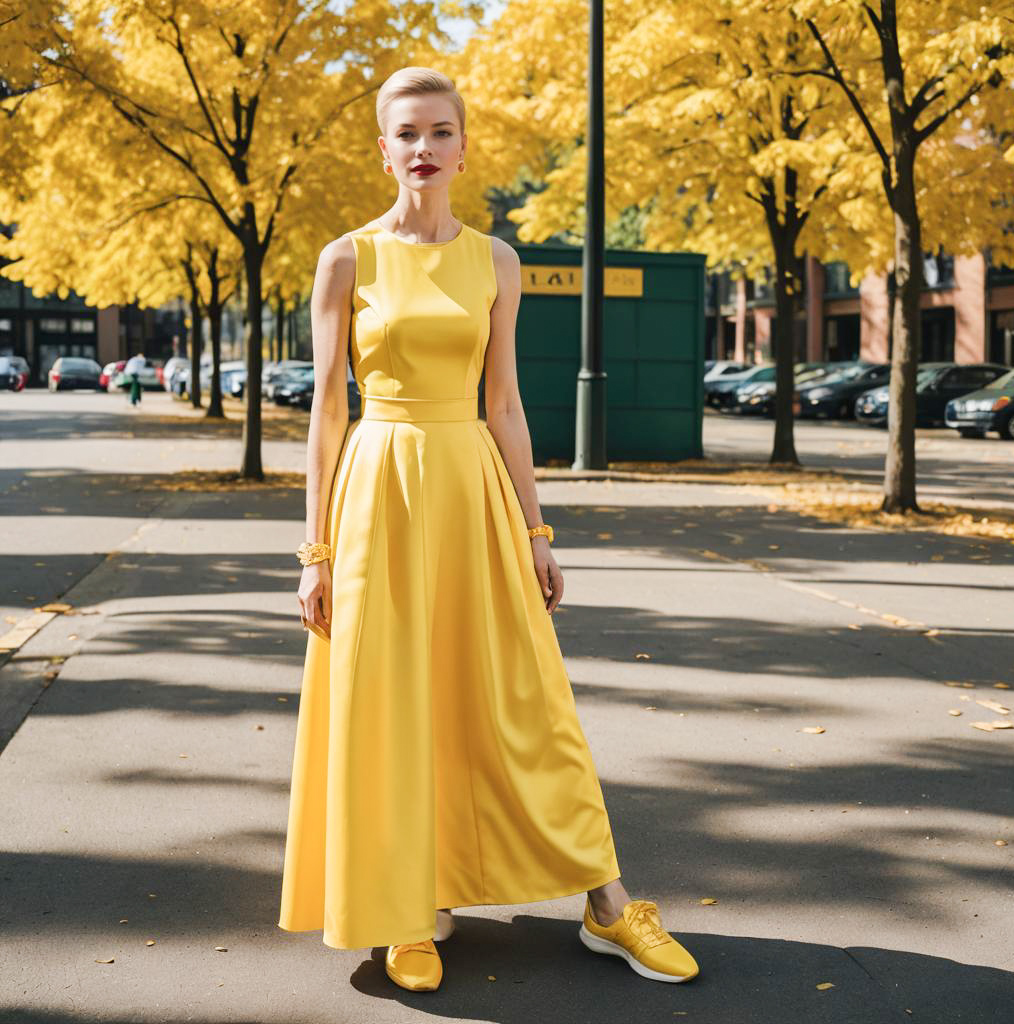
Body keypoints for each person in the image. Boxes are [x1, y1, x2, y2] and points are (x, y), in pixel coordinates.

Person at [276, 66, 700, 992]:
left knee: (526, 701)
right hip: (378, 495)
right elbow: (326, 416)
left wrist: (539, 530)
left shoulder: (496, 261)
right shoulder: (347, 259)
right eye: (406, 133)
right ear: (381, 149)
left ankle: (608, 902)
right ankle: (406, 908)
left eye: (439, 132)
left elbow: (505, 404)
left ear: (464, 148)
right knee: (391, 706)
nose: (422, 148)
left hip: (472, 490)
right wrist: (313, 552)